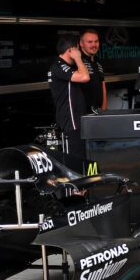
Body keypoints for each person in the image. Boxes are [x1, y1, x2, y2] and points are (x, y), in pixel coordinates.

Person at [48, 37, 90, 173]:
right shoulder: (59, 66)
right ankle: (77, 184)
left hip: (76, 117)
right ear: (71, 50)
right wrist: (78, 58)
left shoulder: (66, 66)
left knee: (83, 154)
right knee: (76, 156)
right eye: (78, 49)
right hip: (70, 119)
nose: (80, 52)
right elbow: (85, 77)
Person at [78, 29, 106, 112]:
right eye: (90, 42)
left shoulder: (98, 61)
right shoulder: (78, 61)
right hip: (83, 112)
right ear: (81, 43)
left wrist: (104, 109)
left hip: (98, 111)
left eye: (96, 41)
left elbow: (103, 84)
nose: (94, 45)